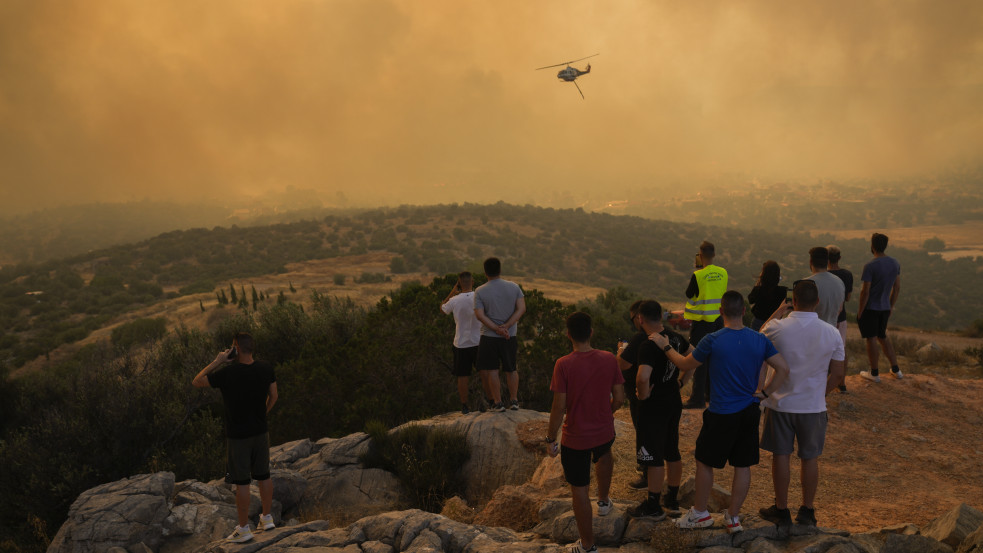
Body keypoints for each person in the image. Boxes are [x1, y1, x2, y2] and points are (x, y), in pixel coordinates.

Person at [651, 291, 789, 534]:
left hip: (721, 412)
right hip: (749, 410)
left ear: (721, 312)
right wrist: (765, 394)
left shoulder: (713, 340)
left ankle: (700, 514)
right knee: (742, 465)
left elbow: (684, 364)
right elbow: (783, 368)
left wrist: (665, 347)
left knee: (704, 461)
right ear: (744, 311)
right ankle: (733, 518)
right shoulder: (759, 340)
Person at [757, 280, 846, 529]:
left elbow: (759, 335)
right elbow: (838, 374)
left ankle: (781, 509)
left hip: (780, 404)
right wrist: (821, 394)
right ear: (817, 302)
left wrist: (778, 311)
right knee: (810, 458)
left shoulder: (777, 328)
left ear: (793, 301)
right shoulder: (832, 333)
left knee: (781, 455)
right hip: (813, 406)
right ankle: (807, 511)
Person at [546, 312, 626, 553]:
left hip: (575, 437)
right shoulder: (609, 358)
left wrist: (551, 438)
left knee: (579, 490)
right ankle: (603, 501)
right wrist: (605, 413)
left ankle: (588, 546)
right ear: (591, 332)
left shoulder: (563, 364)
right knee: (604, 454)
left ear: (569, 335)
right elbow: (620, 398)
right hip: (603, 432)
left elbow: (559, 407)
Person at [192, 333, 278, 543]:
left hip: (238, 437)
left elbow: (197, 381)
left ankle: (243, 529)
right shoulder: (266, 368)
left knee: (242, 483)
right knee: (264, 475)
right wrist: (263, 414)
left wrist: (218, 360)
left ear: (235, 349)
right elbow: (274, 396)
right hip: (260, 432)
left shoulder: (228, 373)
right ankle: (267, 519)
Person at [629, 300, 694, 519]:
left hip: (653, 405)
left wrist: (643, 394)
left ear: (640, 318)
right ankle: (672, 500)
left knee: (653, 454)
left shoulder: (648, 344)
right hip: (673, 400)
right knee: (671, 450)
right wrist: (681, 382)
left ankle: (653, 505)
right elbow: (693, 356)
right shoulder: (674, 336)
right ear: (661, 316)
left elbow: (642, 376)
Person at [474, 257, 526, 411]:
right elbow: (522, 309)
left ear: (485, 272)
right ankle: (514, 400)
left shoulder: (480, 290)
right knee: (511, 368)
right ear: (500, 270)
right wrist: (508, 326)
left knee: (492, 370)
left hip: (489, 337)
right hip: (510, 335)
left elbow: (480, 315)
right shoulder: (514, 287)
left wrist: (496, 329)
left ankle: (498, 403)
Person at [682, 240, 728, 409]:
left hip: (702, 322)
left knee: (699, 359)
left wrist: (699, 271)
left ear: (700, 256)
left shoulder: (698, 275)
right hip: (718, 320)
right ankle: (710, 394)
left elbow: (689, 294)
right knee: (713, 358)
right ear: (714, 255)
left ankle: (697, 399)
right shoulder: (723, 272)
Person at [857, 233, 903, 382]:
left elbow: (865, 291)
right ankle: (896, 370)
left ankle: (874, 373)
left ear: (872, 246)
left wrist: (860, 310)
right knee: (882, 336)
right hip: (885, 307)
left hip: (871, 307)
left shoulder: (870, 266)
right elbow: (896, 288)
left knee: (871, 339)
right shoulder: (895, 263)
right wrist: (890, 306)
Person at [616, 300, 648, 489]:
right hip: (657, 395)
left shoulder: (639, 338)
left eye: (632, 319)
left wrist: (621, 350)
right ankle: (646, 467)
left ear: (639, 317)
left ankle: (646, 473)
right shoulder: (668, 336)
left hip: (640, 396)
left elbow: (622, 364)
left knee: (643, 432)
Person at [441, 271, 482, 414]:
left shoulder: (454, 300)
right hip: (478, 342)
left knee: (462, 376)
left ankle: (464, 405)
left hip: (461, 343)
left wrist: (452, 291)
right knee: (485, 372)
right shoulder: (479, 296)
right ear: (473, 281)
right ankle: (490, 400)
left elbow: (442, 308)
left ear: (459, 283)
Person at [827, 246, 853, 392]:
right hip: (841, 318)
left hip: (825, 317)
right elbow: (848, 298)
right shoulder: (847, 274)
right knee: (841, 349)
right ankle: (841, 383)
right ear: (840, 258)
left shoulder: (823, 276)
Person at [804, 247, 845, 327]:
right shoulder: (839, 282)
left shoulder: (805, 284)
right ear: (827, 262)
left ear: (811, 261)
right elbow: (840, 308)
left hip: (812, 331)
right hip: (831, 331)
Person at [748, 260, 788, 331]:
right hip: (775, 323)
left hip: (758, 323)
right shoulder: (783, 291)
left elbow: (750, 300)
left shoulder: (758, 290)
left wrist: (759, 283)